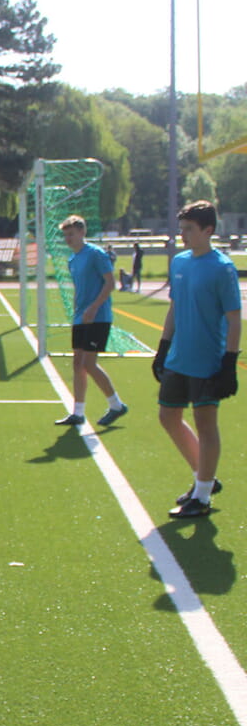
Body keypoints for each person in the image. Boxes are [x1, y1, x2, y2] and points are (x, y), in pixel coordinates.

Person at [154, 201, 241, 519]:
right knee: (168, 417)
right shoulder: (179, 262)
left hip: (207, 361)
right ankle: (205, 478)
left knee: (206, 425)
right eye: (182, 228)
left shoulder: (222, 268)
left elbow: (234, 318)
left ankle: (202, 496)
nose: (183, 235)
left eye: (189, 229)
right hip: (179, 357)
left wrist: (229, 362)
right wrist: (163, 348)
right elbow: (175, 307)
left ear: (208, 230)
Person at [53, 216, 127, 428]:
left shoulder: (95, 254)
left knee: (89, 363)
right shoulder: (72, 259)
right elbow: (79, 287)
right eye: (65, 235)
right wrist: (78, 309)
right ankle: (78, 412)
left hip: (98, 317)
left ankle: (116, 405)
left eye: (71, 234)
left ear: (82, 233)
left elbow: (110, 283)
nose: (68, 238)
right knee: (78, 363)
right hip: (81, 318)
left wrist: (94, 307)